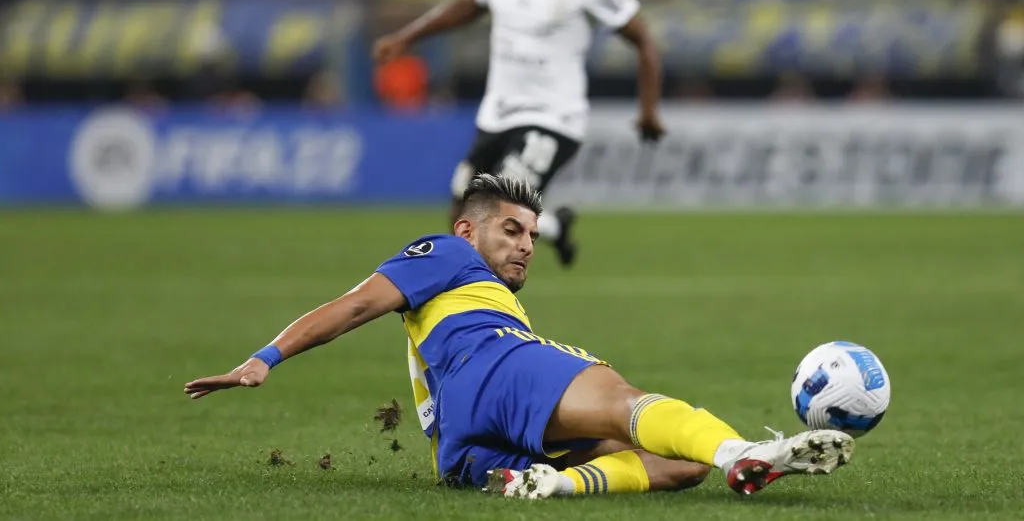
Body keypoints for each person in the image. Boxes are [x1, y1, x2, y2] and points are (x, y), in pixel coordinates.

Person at [185, 173, 855, 499]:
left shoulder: (482, 292)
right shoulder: (447, 257)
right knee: (625, 398)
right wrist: (264, 357)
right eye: (513, 230)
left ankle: (557, 485)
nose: (528, 245)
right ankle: (744, 450)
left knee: (678, 466)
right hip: (493, 365)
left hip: (461, 448)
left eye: (534, 234)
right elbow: (356, 305)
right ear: (467, 230)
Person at [371, 0, 667, 268]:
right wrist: (407, 37)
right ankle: (558, 230)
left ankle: (482, 310)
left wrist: (649, 111)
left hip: (553, 117)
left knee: (502, 214)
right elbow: (469, 4)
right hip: (497, 112)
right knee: (463, 213)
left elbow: (644, 41)